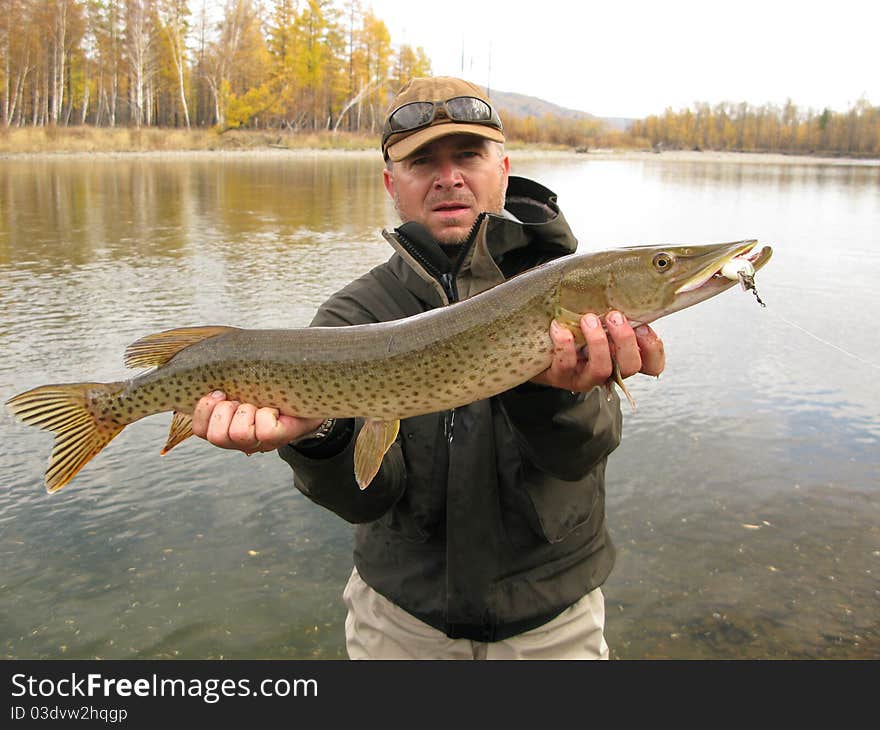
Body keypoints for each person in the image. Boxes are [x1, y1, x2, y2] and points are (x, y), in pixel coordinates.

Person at [191, 76, 665, 659]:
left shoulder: (564, 287)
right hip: (401, 628)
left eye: (468, 154)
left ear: (504, 168)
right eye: (423, 161)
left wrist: (555, 395)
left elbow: (581, 454)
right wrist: (319, 434)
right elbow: (367, 495)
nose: (449, 178)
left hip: (553, 625)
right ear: (393, 183)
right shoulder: (353, 314)